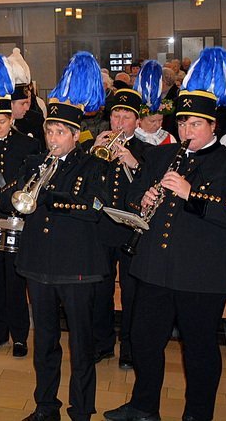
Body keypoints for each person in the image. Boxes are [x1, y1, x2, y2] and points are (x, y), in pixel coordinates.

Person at [106, 47, 226, 421]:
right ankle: (144, 406)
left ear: (212, 128)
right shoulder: (160, 156)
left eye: (196, 125)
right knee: (144, 340)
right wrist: (141, 197)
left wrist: (193, 194)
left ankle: (197, 414)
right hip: (155, 268)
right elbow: (131, 193)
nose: (187, 131)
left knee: (199, 348)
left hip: (202, 275)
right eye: (184, 123)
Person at [2, 52, 110, 421]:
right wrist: (25, 190)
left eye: (60, 132)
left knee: (81, 346)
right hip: (38, 264)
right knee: (45, 343)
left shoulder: (94, 165)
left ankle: (81, 409)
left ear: (75, 134)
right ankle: (45, 406)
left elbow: (92, 208)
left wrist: (49, 198)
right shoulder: (34, 161)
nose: (53, 138)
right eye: (50, 131)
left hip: (77, 266)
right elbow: (10, 198)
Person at [86, 61, 158, 372]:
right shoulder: (95, 144)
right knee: (99, 289)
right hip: (101, 229)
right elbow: (84, 183)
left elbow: (151, 191)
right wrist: (92, 155)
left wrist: (132, 163)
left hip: (131, 230)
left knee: (132, 293)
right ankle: (102, 343)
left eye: (126, 116)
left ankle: (129, 347)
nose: (119, 120)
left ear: (136, 121)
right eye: (115, 114)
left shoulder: (148, 152)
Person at [0, 55, 41, 358]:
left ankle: (19, 336)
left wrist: (6, 195)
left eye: (2, 121)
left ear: (11, 119)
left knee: (15, 280)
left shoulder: (27, 145)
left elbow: (28, 181)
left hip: (15, 218)